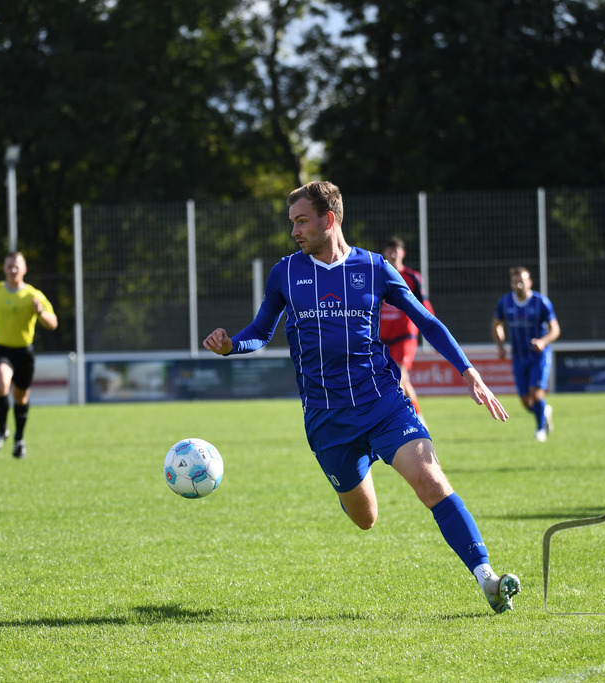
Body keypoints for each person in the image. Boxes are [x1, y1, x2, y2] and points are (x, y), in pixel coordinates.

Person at [203, 181, 521, 614]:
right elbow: (260, 332)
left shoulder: (375, 268)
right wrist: (230, 345)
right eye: (291, 223)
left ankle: (488, 578)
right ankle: (358, 467)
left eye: (301, 221)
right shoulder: (286, 273)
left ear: (328, 219)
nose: (294, 231)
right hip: (326, 419)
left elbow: (427, 321)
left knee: (431, 480)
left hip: (382, 403)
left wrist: (469, 372)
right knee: (365, 518)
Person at [0, 251, 58, 458]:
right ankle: (1, 430)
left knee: (21, 398)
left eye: (16, 266)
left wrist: (40, 312)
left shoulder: (34, 295)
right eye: (9, 266)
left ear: (24, 269)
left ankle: (19, 439)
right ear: (4, 268)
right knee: (0, 386)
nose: (13, 270)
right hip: (1, 349)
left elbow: (53, 323)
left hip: (23, 351)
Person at [491, 267, 560, 442]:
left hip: (539, 356)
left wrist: (543, 341)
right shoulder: (505, 302)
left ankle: (540, 429)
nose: (518, 284)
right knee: (526, 402)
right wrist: (500, 345)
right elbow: (497, 324)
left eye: (522, 281)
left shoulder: (541, 302)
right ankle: (544, 411)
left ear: (529, 282)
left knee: (536, 394)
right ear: (511, 284)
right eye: (515, 282)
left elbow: (555, 329)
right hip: (518, 357)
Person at [380, 236, 434, 423]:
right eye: (389, 250)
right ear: (384, 253)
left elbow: (424, 306)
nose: (393, 254)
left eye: (396, 250)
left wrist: (433, 333)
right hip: (383, 338)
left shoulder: (412, 277)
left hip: (405, 336)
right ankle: (413, 416)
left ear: (403, 253)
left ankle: (416, 419)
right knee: (394, 380)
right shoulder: (378, 276)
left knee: (400, 376)